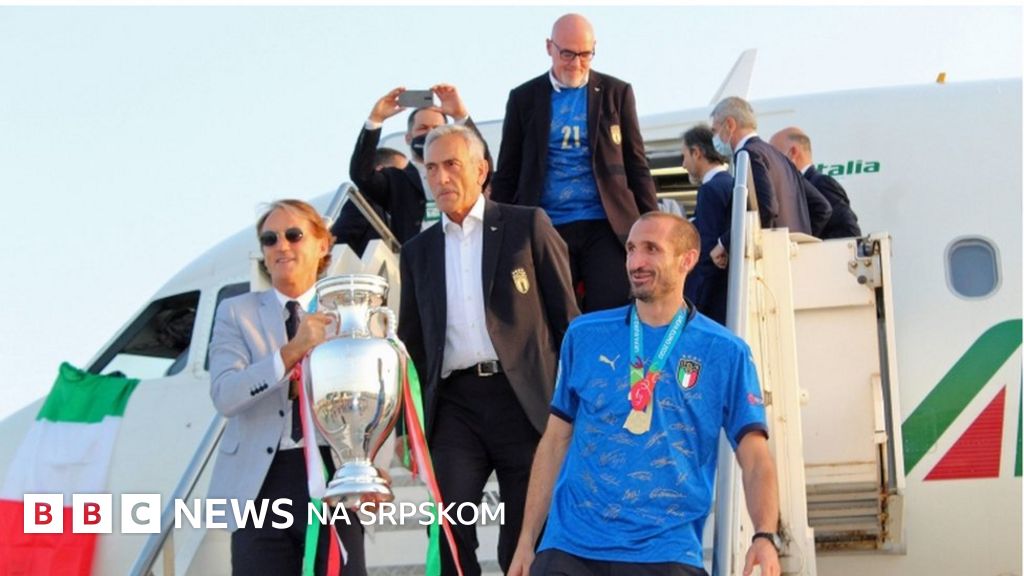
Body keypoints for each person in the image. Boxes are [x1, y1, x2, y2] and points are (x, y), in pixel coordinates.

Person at [509, 212, 782, 576]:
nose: (636, 262)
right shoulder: (585, 335)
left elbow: (755, 457)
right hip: (571, 547)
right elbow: (555, 440)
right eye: (631, 249)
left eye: (652, 249)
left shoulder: (725, 352)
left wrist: (764, 535)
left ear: (687, 260)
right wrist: (527, 541)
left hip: (665, 551)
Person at [398, 124, 579, 575]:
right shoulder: (417, 252)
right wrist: (406, 426)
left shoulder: (526, 225)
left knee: (524, 537)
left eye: (451, 165)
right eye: (431, 168)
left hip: (526, 402)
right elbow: (412, 345)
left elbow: (568, 323)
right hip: (455, 408)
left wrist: (578, 404)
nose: (440, 177)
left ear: (481, 170)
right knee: (448, 527)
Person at [207, 199, 367, 575]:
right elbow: (226, 394)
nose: (281, 246)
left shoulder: (350, 313)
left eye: (294, 235)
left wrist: (370, 466)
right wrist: (290, 352)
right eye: (270, 239)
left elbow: (375, 398)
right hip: (258, 484)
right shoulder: (235, 312)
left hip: (332, 474)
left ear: (323, 244)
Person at [491, 13, 658, 313]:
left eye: (585, 54)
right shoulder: (523, 98)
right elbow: (508, 172)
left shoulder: (616, 93)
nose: (576, 63)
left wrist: (654, 224)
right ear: (549, 47)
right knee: (556, 313)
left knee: (611, 310)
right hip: (547, 225)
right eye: (567, 54)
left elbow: (636, 165)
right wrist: (495, 231)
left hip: (606, 223)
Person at [333, 85, 489, 256]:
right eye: (422, 128)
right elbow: (361, 175)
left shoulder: (462, 170)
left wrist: (460, 116)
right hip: (420, 262)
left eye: (437, 129)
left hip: (465, 251)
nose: (429, 133)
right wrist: (375, 120)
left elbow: (482, 166)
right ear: (408, 138)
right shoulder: (397, 181)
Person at [709, 96, 832, 267]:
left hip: (769, 265)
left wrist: (724, 242)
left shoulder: (748, 154)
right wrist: (797, 242)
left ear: (730, 124)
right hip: (795, 263)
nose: (714, 138)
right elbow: (821, 207)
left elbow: (765, 208)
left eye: (714, 130)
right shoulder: (780, 156)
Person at [682, 125, 734, 326]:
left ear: (697, 152)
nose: (683, 165)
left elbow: (707, 249)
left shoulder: (710, 189)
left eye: (685, 156)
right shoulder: (730, 182)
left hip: (711, 300)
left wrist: (693, 300)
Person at [769, 127, 862, 239]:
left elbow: (850, 232)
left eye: (774, 156)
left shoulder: (821, 184)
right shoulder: (795, 187)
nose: (771, 162)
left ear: (793, 152)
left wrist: (810, 243)